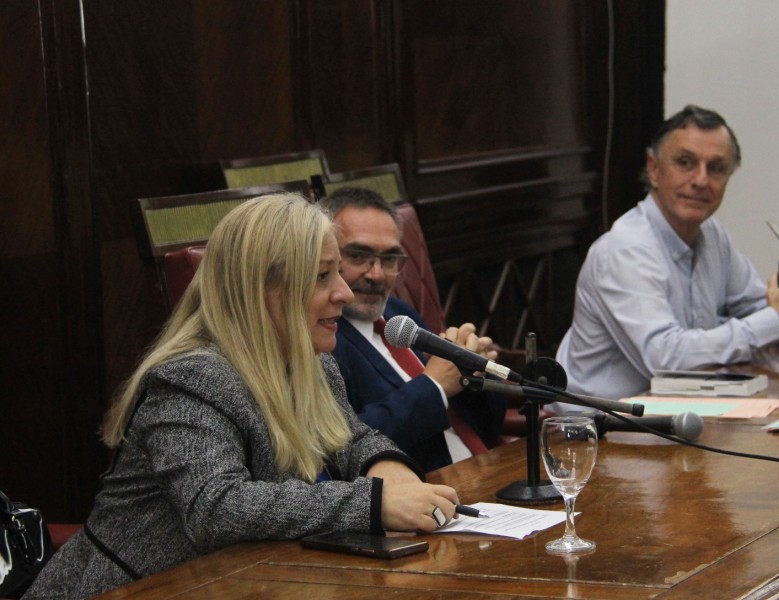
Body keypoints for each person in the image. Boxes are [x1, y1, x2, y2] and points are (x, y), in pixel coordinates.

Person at [24, 194, 458, 599]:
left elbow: (347, 436)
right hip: (132, 589)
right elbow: (216, 507)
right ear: (261, 290)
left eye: (338, 274)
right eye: (322, 276)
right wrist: (375, 502)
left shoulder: (311, 361)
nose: (343, 293)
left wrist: (387, 469)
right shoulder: (190, 379)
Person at [554, 105, 779, 407]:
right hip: (598, 430)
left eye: (716, 168)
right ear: (654, 169)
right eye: (686, 162)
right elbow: (666, 358)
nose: (701, 180)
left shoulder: (712, 236)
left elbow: (756, 307)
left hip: (682, 410)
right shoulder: (624, 250)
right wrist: (777, 317)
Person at [321, 187, 506, 473]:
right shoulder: (323, 337)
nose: (377, 274)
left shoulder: (398, 312)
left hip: (487, 465)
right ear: (326, 256)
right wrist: (434, 385)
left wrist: (473, 373)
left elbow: (487, 423)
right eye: (358, 256)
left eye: (390, 259)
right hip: (427, 492)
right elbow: (341, 448)